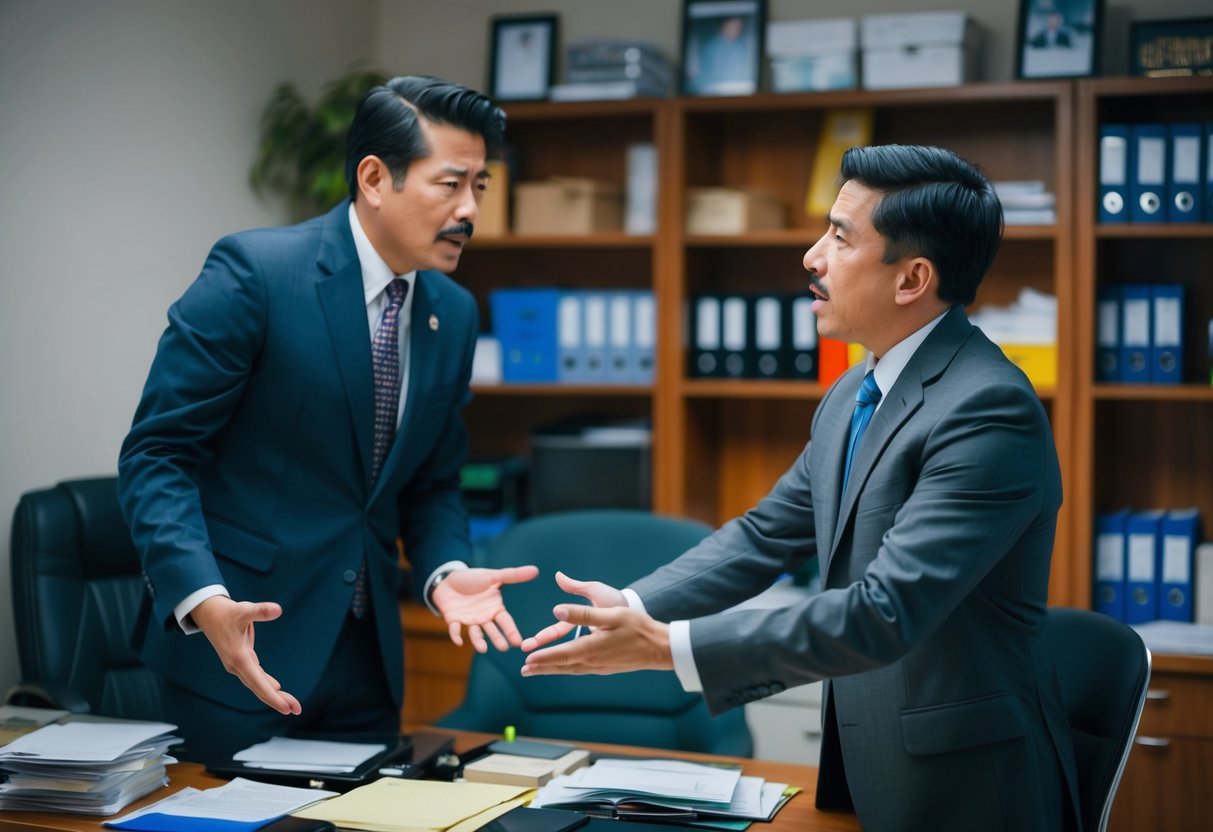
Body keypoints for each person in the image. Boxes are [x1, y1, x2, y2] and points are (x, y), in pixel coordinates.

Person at [521, 145, 1082, 831]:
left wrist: (669, 646)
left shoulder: (987, 409)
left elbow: (883, 612)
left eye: (840, 238)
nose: (811, 257)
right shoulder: (856, 387)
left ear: (911, 278)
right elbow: (766, 535)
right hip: (873, 767)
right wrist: (632, 605)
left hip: (969, 789)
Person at [118, 75, 537, 761]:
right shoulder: (257, 274)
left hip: (365, 667)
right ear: (375, 178)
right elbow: (157, 455)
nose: (469, 209)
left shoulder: (453, 313)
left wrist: (443, 571)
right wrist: (202, 596)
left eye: (481, 187)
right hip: (242, 654)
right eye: (450, 184)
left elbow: (430, 482)